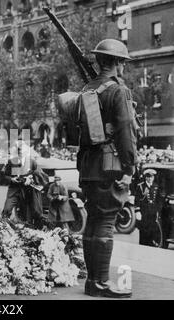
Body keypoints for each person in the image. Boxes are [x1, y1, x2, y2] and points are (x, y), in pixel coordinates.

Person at [76, 39, 137, 298]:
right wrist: (129, 167)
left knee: (93, 222)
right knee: (106, 222)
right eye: (122, 61)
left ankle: (93, 282)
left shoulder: (87, 88)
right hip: (110, 165)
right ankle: (100, 283)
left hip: (88, 166)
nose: (123, 66)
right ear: (118, 63)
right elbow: (125, 130)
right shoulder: (118, 91)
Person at [135, 169, 162, 246]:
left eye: (151, 177)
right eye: (148, 177)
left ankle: (150, 245)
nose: (150, 179)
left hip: (153, 212)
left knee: (152, 230)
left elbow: (158, 200)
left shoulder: (156, 186)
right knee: (143, 231)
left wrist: (158, 210)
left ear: (153, 177)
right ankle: (143, 246)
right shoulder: (141, 186)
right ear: (145, 177)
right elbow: (137, 200)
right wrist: (137, 211)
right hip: (144, 212)